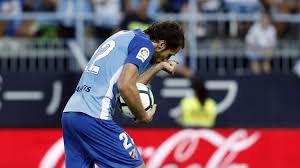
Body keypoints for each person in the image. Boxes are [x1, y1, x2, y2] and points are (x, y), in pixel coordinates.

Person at [61, 21, 185, 167]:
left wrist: (158, 67)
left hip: (71, 114)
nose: (166, 59)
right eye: (169, 55)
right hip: (94, 115)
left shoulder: (124, 35)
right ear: (161, 44)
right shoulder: (144, 45)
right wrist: (143, 116)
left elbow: (129, 84)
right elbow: (125, 86)